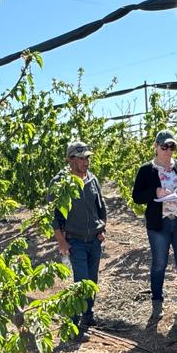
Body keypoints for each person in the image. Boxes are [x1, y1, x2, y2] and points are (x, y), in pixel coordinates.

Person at [131, 129, 177, 317]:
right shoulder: (147, 170)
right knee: (159, 264)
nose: (168, 150)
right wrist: (155, 192)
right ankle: (157, 304)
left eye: (172, 146)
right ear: (156, 147)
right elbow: (137, 196)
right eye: (164, 146)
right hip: (159, 224)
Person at [52, 140, 108, 332]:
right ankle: (73, 325)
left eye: (88, 158)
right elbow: (53, 216)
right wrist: (62, 241)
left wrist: (102, 229)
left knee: (91, 281)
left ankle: (88, 315)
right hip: (75, 241)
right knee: (80, 282)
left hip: (94, 240)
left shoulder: (92, 179)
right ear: (70, 160)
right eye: (82, 158)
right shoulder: (61, 184)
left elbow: (101, 208)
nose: (86, 162)